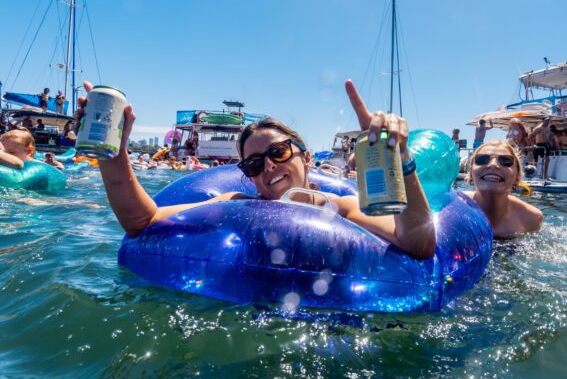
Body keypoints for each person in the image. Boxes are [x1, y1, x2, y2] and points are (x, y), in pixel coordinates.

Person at [79, 79, 436, 260]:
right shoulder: (236, 202)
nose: (268, 165)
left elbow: (417, 244)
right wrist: (114, 154)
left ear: (306, 158)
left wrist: (396, 159)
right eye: (253, 163)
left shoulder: (336, 206)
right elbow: (142, 222)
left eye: (279, 152)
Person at [465, 140, 543, 238]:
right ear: (471, 172)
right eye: (482, 159)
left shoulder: (531, 218)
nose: (493, 164)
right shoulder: (449, 207)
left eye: (505, 161)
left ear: (517, 177)